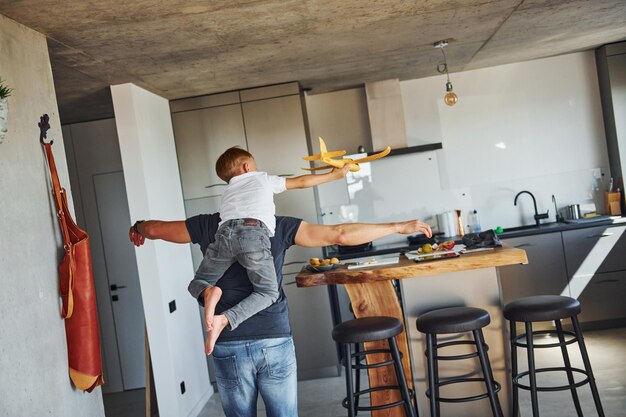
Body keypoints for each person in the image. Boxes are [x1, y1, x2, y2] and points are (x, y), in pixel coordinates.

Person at [129, 215, 431, 417]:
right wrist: (398, 226)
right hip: (273, 338)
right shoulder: (277, 225)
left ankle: (208, 293)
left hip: (227, 342)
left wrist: (138, 227)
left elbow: (155, 229)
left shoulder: (211, 224)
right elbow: (340, 233)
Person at [195, 147, 350, 354]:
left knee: (198, 282)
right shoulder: (262, 179)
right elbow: (301, 182)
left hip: (224, 236)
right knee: (268, 292)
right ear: (247, 167)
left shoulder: (229, 191)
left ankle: (208, 291)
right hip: (252, 235)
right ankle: (225, 319)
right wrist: (334, 175)